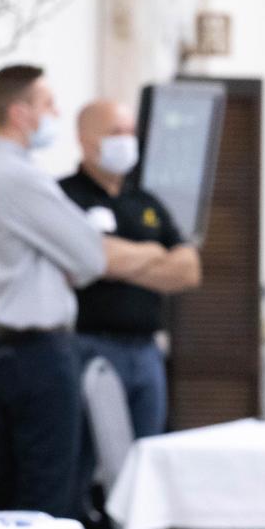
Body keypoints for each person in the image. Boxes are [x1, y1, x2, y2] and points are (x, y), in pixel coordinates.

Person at [0, 67, 168, 520]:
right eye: (48, 105)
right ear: (19, 113)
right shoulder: (16, 177)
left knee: (13, 488)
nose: (55, 113)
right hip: (38, 352)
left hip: (11, 348)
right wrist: (154, 251)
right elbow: (90, 258)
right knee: (49, 496)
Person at [59, 99, 201, 439]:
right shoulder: (65, 196)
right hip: (89, 345)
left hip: (146, 350)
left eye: (129, 132)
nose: (125, 140)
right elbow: (85, 261)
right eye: (115, 132)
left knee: (147, 451)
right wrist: (154, 254)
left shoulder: (146, 201)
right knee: (87, 452)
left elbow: (189, 270)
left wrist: (116, 261)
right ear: (86, 139)